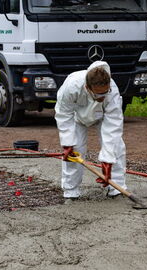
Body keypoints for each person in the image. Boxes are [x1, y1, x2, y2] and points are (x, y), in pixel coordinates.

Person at [54, 61, 126, 202]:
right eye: (98, 95)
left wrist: (107, 160)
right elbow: (64, 114)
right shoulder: (71, 86)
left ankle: (116, 187)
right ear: (87, 88)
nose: (102, 97)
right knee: (75, 151)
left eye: (105, 93)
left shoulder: (113, 91)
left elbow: (113, 127)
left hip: (102, 116)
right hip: (77, 117)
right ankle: (71, 191)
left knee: (117, 147)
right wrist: (68, 143)